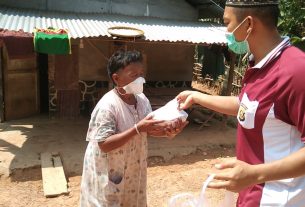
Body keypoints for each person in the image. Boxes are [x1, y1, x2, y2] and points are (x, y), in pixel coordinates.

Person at [177, 0, 305, 206]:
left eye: (227, 22)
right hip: (251, 195)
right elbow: (248, 105)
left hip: (280, 199)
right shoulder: (258, 63)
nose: (226, 30)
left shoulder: (296, 71)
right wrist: (198, 97)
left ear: (248, 24)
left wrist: (254, 174)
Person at [80, 50, 188, 207]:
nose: (140, 79)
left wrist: (168, 130)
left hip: (132, 169)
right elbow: (104, 144)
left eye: (141, 74)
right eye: (133, 75)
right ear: (116, 78)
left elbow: (149, 128)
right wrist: (136, 129)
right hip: (108, 171)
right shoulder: (108, 106)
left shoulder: (142, 100)